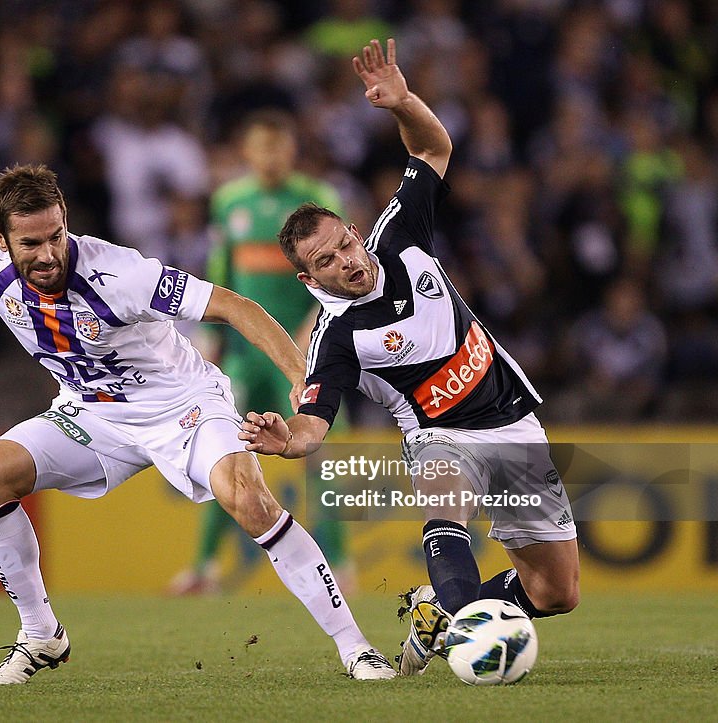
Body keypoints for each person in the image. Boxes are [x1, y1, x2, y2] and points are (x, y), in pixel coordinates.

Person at [0, 163, 396, 683]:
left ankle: (354, 647)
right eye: (30, 242)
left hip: (185, 407)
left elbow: (232, 305)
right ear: (0, 241)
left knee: (247, 499)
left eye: (56, 236)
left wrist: (299, 378)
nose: (47, 254)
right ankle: (40, 636)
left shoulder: (119, 272)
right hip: (92, 415)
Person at [239, 39, 579, 677]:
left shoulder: (398, 236)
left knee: (556, 594)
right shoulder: (335, 337)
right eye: (327, 262)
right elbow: (314, 423)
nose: (348, 261)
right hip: (437, 435)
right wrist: (288, 441)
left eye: (345, 243)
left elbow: (433, 149)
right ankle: (471, 644)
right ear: (312, 282)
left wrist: (402, 103)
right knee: (445, 504)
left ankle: (436, 615)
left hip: (512, 422)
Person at [170, 109, 353, 595]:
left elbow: (333, 282)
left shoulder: (319, 200)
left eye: (279, 146)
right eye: (261, 147)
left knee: (323, 456)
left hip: (305, 351)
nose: (271, 156)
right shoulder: (231, 201)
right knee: (222, 449)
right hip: (245, 356)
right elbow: (221, 273)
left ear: (292, 150)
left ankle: (341, 565)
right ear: (246, 153)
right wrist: (209, 343)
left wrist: (313, 335)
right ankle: (205, 568)